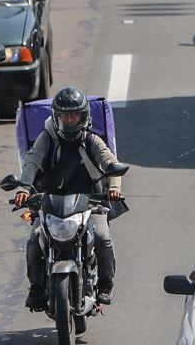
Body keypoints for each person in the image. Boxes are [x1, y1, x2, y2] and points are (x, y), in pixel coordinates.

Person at [15, 86, 123, 308]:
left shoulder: (92, 140)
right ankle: (36, 287)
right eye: (64, 115)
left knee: (102, 237)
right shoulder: (47, 138)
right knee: (35, 239)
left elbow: (110, 163)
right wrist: (24, 188)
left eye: (74, 115)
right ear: (56, 117)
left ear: (84, 117)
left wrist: (114, 187)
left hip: (90, 202)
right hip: (51, 202)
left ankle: (106, 283)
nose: (69, 120)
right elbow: (31, 161)